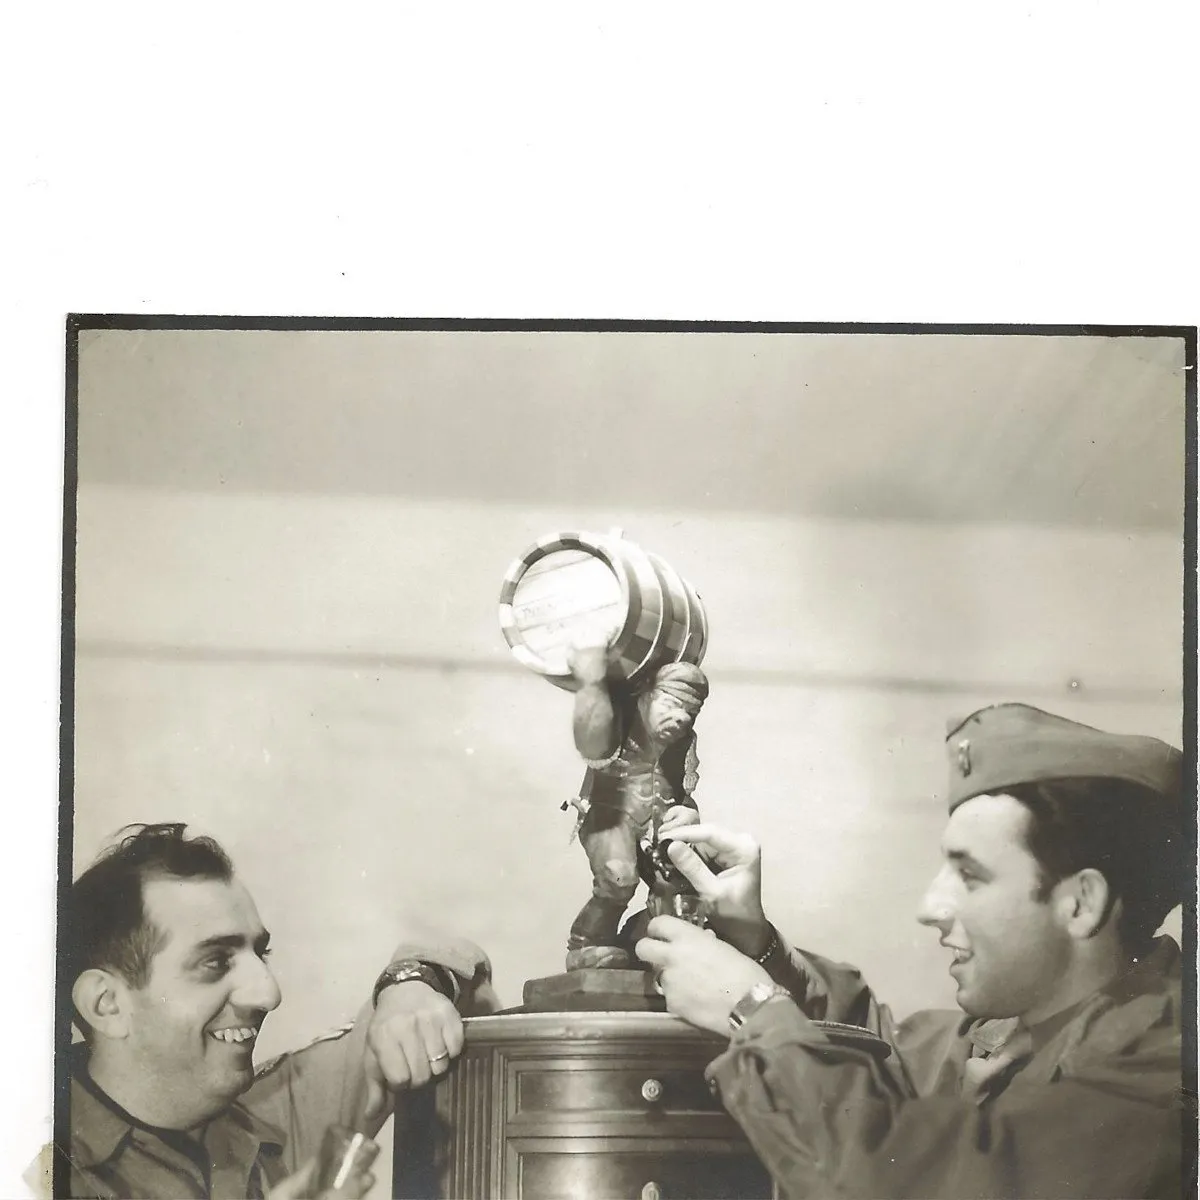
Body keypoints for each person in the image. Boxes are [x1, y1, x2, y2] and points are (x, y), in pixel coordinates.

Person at [636, 703, 1188, 1199]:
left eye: (971, 876)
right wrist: (755, 942)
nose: (931, 905)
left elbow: (906, 1178)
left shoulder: (1169, 1069)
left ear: (1081, 903)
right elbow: (883, 1062)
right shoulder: (1022, 1030)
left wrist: (753, 1007)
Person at [63, 823, 500, 1199]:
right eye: (215, 961)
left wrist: (409, 984)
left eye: (260, 954)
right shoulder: (34, 1172)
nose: (268, 993)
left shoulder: (272, 1113)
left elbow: (460, 971)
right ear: (107, 1004)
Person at [564, 635, 710, 971]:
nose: (683, 719)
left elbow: (685, 788)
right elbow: (591, 744)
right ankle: (587, 944)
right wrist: (591, 683)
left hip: (657, 821)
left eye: (691, 711)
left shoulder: (683, 740)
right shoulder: (618, 717)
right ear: (646, 695)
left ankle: (642, 941)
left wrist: (689, 811)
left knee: (686, 890)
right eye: (672, 705)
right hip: (611, 813)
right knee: (618, 877)